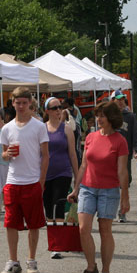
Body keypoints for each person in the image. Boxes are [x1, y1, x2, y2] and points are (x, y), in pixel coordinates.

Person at [68, 101, 129, 273]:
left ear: (111, 118)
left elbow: (122, 171)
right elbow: (84, 165)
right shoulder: (91, 137)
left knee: (104, 230)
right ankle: (90, 266)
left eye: (103, 115)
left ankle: (106, 271)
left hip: (109, 190)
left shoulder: (120, 141)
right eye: (98, 115)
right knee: (83, 228)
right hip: (88, 187)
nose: (99, 119)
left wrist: (125, 196)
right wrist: (76, 188)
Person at [0, 87, 50, 273]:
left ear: (30, 103)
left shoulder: (39, 126)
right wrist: (7, 154)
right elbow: (4, 154)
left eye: (24, 102)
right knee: (10, 223)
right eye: (17, 102)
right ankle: (13, 261)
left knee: (34, 223)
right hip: (13, 181)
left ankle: (32, 260)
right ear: (12, 103)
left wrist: (41, 180)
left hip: (32, 180)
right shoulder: (7, 128)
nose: (20, 106)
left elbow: (45, 156)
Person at [42, 97, 79, 259]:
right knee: (48, 208)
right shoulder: (41, 129)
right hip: (45, 174)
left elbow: (72, 153)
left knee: (58, 204)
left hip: (63, 172)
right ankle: (53, 241)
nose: (58, 110)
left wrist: (78, 176)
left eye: (60, 107)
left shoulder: (66, 129)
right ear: (47, 111)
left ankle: (58, 245)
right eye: (54, 107)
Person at [113, 91, 137, 222]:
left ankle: (122, 211)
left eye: (122, 100)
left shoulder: (130, 117)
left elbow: (136, 135)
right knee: (110, 184)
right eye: (118, 99)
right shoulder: (109, 116)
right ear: (112, 101)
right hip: (109, 155)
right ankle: (108, 212)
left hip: (124, 156)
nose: (120, 102)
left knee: (124, 183)